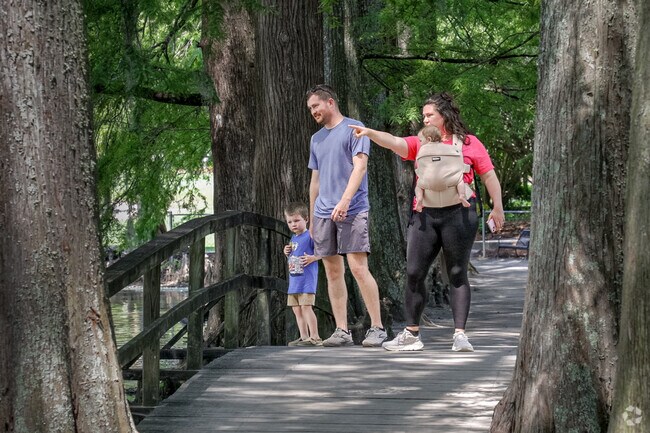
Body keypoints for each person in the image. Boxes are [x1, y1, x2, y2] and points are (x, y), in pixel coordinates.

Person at [349, 92, 505, 352]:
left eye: (429, 114)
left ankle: (460, 335)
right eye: (423, 115)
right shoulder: (420, 143)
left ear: (444, 115)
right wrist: (371, 133)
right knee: (414, 272)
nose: (425, 118)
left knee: (457, 272)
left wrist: (497, 207)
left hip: (460, 213)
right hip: (425, 215)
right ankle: (411, 335)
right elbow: (395, 142)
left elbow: (489, 176)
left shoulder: (469, 143)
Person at [305, 84, 387, 347]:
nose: (313, 111)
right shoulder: (316, 139)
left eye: (316, 106)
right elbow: (314, 182)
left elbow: (360, 167)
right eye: (310, 109)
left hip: (352, 208)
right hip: (322, 212)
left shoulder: (354, 128)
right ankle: (342, 330)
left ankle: (377, 327)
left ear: (330, 102)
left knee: (358, 268)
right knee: (331, 271)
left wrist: (345, 199)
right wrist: (312, 221)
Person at [283, 202, 322, 347]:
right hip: (294, 281)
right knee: (296, 309)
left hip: (307, 281)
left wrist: (313, 258)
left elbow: (323, 251)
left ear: (306, 219)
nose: (293, 224)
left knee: (306, 307)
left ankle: (315, 336)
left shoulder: (310, 236)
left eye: (297, 220)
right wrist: (286, 251)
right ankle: (304, 337)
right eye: (290, 222)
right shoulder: (293, 238)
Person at [414, 125, 471, 212]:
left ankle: (420, 199)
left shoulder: (422, 150)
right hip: (450, 181)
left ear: (428, 139)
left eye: (421, 140)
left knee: (418, 186)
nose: (420, 143)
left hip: (427, 183)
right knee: (460, 181)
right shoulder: (449, 148)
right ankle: (462, 196)